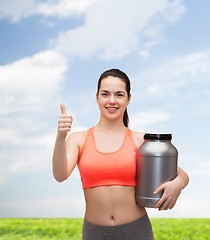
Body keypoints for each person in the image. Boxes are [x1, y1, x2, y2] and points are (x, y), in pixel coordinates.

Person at [52, 69, 189, 240]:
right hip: (94, 233)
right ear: (97, 97)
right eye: (105, 94)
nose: (111, 101)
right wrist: (60, 136)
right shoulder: (78, 139)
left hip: (137, 231)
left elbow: (178, 172)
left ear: (128, 99)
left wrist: (179, 184)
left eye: (119, 94)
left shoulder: (140, 141)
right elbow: (60, 174)